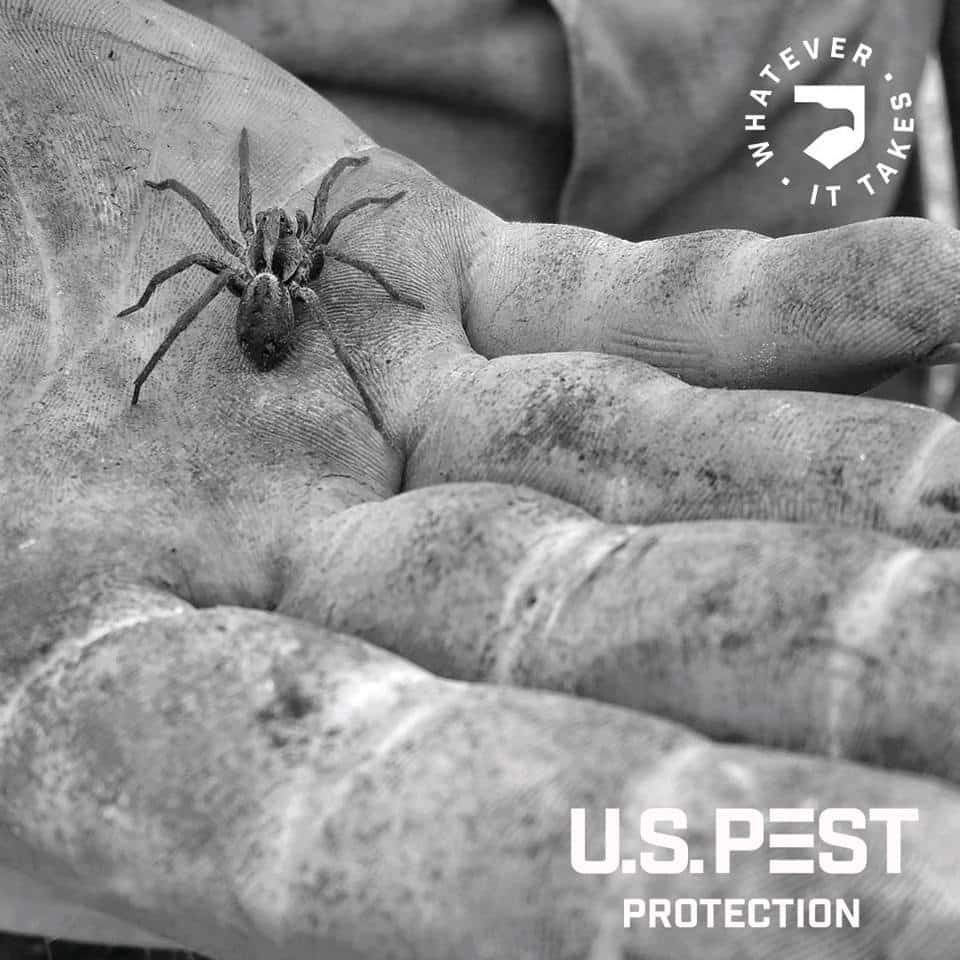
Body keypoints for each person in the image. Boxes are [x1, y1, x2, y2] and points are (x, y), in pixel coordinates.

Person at [3, 1, 960, 957]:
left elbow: (334, 226)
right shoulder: (290, 265)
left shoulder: (287, 258)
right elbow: (282, 238)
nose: (293, 234)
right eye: (282, 236)